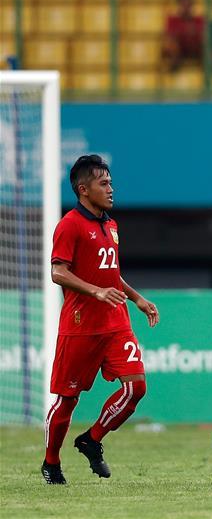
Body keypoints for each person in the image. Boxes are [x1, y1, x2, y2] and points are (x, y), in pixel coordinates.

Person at [41, 155, 160, 485]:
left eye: (110, 183)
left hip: (116, 323)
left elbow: (111, 273)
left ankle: (91, 440)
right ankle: (51, 462)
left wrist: (137, 298)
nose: (111, 189)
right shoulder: (69, 225)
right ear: (83, 189)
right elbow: (58, 272)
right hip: (81, 327)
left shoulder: (111, 225)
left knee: (136, 388)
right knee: (67, 400)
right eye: (103, 183)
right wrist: (95, 291)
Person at [163, 0, 205, 71]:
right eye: (183, 5)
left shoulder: (199, 20)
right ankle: (173, 69)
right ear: (179, 6)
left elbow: (203, 36)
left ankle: (205, 70)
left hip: (195, 48)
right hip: (179, 50)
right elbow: (170, 37)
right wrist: (186, 32)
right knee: (173, 45)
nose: (186, 8)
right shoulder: (172, 20)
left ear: (192, 6)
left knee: (206, 44)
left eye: (188, 5)